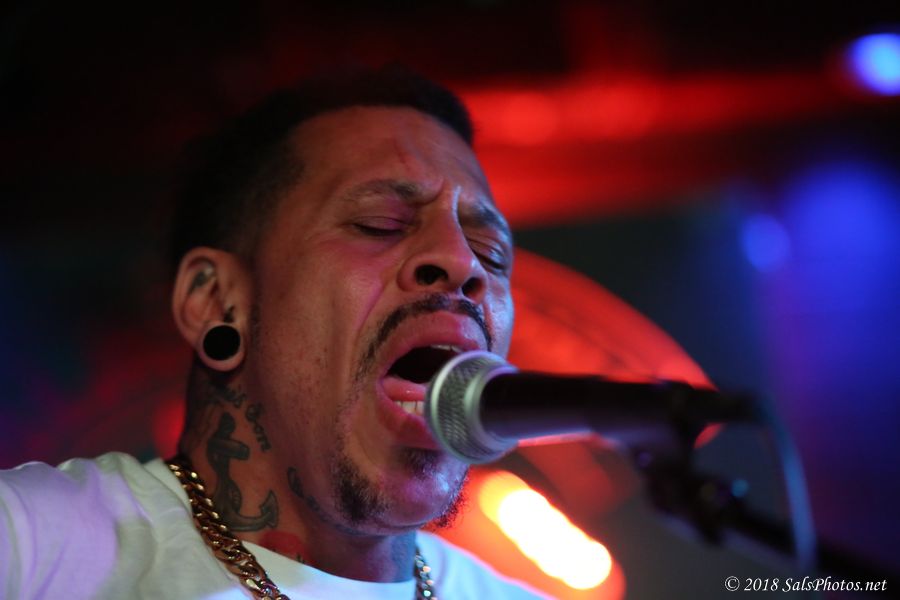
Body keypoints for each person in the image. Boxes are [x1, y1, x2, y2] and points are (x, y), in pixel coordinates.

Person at [0, 66, 547, 599]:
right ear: (216, 302)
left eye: (492, 253)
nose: (462, 262)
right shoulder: (28, 548)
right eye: (379, 223)